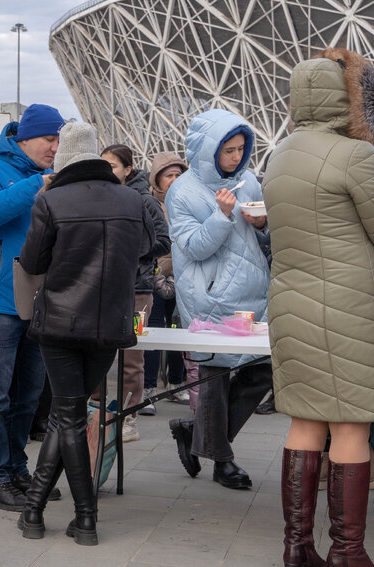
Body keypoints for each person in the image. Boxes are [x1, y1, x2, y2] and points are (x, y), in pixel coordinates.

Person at [266, 48, 374, 567]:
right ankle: (346, 552)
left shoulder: (280, 155)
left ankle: (295, 549)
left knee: (304, 422)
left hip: (290, 303)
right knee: (350, 425)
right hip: (350, 307)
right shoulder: (355, 157)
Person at [16, 122, 153, 546]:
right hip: (110, 323)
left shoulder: (51, 200)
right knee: (67, 413)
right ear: (95, 155)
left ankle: (86, 518)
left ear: (63, 160)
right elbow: (149, 248)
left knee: (69, 415)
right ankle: (35, 508)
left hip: (60, 321)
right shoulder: (132, 199)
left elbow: (34, 261)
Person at [0, 102, 63, 511]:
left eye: (58, 140)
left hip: (39, 300)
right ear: (24, 138)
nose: (54, 147)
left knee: (28, 396)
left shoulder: (50, 178)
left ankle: (17, 470)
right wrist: (36, 186)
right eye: (48, 139)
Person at [165, 109, 271, 491]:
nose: (235, 157)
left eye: (241, 149)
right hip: (209, 298)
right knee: (216, 378)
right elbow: (192, 247)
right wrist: (222, 215)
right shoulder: (183, 190)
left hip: (254, 295)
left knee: (264, 370)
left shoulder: (250, 183)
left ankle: (196, 432)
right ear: (208, 149)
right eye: (228, 150)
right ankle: (222, 461)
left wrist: (263, 227)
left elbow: (263, 242)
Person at [98, 145, 171, 434]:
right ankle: (98, 413)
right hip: (104, 288)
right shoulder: (100, 198)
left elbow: (164, 243)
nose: (108, 171)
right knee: (99, 353)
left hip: (137, 290)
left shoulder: (146, 202)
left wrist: (129, 249)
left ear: (128, 169)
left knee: (132, 356)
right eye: (104, 165)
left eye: (113, 166)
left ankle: (129, 417)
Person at [147, 152, 193, 408]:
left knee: (178, 333)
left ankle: (177, 383)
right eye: (169, 175)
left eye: (178, 175)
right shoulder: (148, 204)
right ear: (157, 179)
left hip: (182, 279)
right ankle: (148, 388)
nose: (174, 180)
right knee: (153, 332)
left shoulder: (190, 203)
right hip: (154, 279)